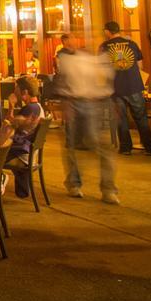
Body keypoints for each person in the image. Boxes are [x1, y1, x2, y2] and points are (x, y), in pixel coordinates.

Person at [55, 31, 119, 203]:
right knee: (74, 147)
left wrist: (109, 103)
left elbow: (108, 83)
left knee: (102, 146)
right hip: (76, 103)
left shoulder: (99, 61)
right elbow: (62, 83)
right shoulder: (66, 59)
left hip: (96, 104)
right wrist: (67, 104)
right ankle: (75, 183)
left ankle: (107, 188)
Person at [99, 20, 151, 155]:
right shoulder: (131, 43)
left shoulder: (104, 46)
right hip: (134, 86)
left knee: (121, 119)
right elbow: (140, 65)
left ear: (107, 31)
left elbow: (101, 69)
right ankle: (150, 147)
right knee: (141, 117)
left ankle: (126, 148)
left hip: (116, 88)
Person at [5, 76, 45, 198]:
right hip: (29, 154)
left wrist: (11, 105)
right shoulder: (37, 107)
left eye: (16, 89)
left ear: (25, 92)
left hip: (22, 157)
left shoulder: (29, 109)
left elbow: (8, 127)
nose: (14, 92)